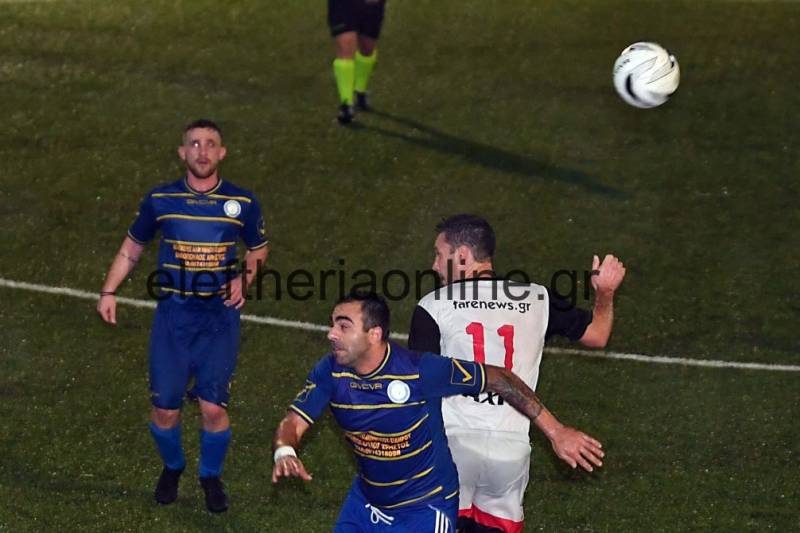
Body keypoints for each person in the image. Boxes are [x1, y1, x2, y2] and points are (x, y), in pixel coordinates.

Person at [272, 291, 602, 532]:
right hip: (366, 502)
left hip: (425, 509)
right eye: (333, 324)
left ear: (374, 334)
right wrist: (285, 450)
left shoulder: (419, 370)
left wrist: (557, 431)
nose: (331, 334)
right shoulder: (331, 371)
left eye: (343, 326)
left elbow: (500, 378)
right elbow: (294, 421)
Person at [408, 214, 626, 533]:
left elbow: (419, 388)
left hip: (452, 446)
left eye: (439, 255)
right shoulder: (537, 299)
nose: (435, 266)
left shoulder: (433, 305)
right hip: (509, 452)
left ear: (463, 256)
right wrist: (605, 293)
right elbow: (597, 335)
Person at [96, 119, 269, 513]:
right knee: (165, 410)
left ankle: (210, 476)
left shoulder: (242, 203)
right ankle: (173, 467)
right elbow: (131, 248)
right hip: (173, 317)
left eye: (210, 144)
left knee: (213, 408)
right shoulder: (161, 199)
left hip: (219, 318)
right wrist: (108, 291)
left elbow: (259, 248)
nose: (202, 151)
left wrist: (244, 278)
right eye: (194, 144)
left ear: (222, 152)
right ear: (182, 152)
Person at [329, 0, 387, 124]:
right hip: (342, 4)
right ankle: (346, 105)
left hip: (372, 6)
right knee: (346, 47)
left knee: (367, 49)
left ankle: (360, 91)